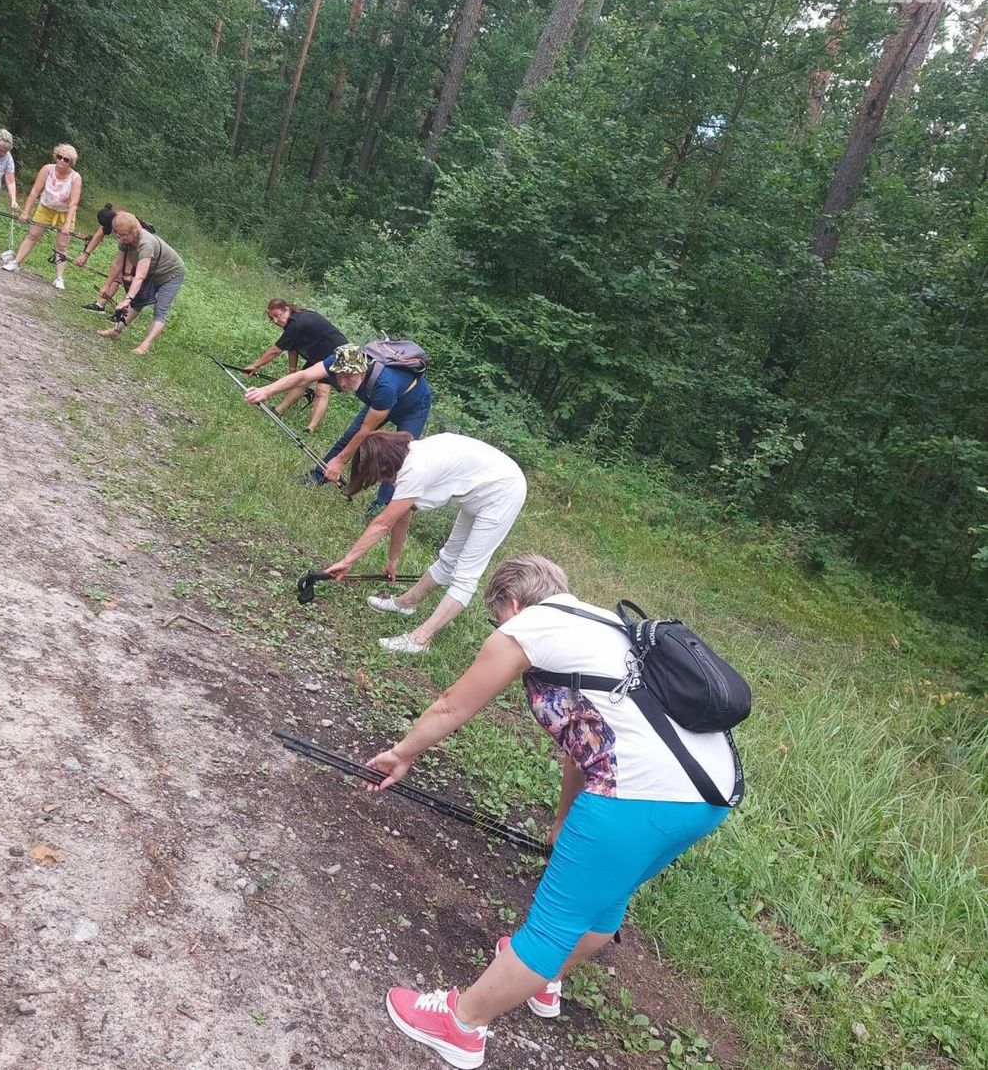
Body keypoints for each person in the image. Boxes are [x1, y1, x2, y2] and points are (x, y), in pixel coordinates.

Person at [367, 554, 736, 1067]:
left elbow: (453, 704)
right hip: (708, 797)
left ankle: (461, 1024)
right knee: (605, 902)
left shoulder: (527, 628)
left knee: (552, 925)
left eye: (495, 617)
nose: (498, 628)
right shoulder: (605, 626)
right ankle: (545, 980)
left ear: (512, 603)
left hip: (635, 797)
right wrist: (563, 817)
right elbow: (583, 741)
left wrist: (402, 753)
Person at [324, 430, 527, 653]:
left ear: (386, 465)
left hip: (503, 491)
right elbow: (402, 514)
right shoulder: (411, 458)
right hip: (480, 488)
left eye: (380, 476)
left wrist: (347, 561)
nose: (382, 481)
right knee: (449, 557)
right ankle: (407, 604)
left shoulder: (416, 469)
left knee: (466, 573)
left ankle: (419, 639)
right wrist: (393, 560)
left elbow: (382, 523)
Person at [244, 343, 433, 515]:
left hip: (412, 408)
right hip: (378, 401)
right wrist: (266, 391)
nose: (342, 382)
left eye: (349, 377)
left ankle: (382, 505)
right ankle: (319, 476)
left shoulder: (385, 386)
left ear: (362, 370)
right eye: (339, 376)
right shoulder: (341, 360)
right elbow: (304, 376)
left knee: (402, 455)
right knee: (349, 436)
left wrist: (340, 461)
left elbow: (366, 431)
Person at [243, 300, 348, 432]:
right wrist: (292, 372)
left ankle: (310, 428)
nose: (275, 321)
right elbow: (292, 348)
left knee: (322, 390)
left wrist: (255, 366)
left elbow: (276, 350)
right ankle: (278, 411)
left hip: (337, 352)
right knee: (300, 380)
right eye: (272, 318)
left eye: (277, 315)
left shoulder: (298, 323)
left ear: (287, 309)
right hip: (319, 352)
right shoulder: (293, 322)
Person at [96, 212, 185, 356]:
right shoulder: (125, 241)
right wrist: (107, 285)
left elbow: (140, 276)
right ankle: (116, 331)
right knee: (137, 302)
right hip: (152, 270)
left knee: (160, 309)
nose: (119, 237)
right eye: (117, 233)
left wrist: (127, 299)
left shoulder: (146, 243)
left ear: (134, 231)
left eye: (123, 234)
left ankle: (145, 345)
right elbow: (118, 264)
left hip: (171, 274)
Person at [1, 143, 82, 289]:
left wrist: (67, 224)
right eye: (59, 157)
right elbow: (35, 191)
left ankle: (59, 278)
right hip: (46, 207)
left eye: (66, 159)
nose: (62, 161)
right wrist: (26, 211)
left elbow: (74, 203)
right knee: (32, 235)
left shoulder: (75, 178)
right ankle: (16, 262)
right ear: (56, 156)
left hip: (65, 213)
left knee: (62, 245)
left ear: (71, 162)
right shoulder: (47, 169)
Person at [76, 204, 155, 312]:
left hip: (143, 247)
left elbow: (131, 249)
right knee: (119, 275)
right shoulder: (111, 217)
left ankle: (123, 310)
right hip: (131, 244)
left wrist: (124, 271)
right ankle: (101, 305)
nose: (116, 234)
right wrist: (85, 254)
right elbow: (99, 234)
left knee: (127, 276)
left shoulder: (126, 222)